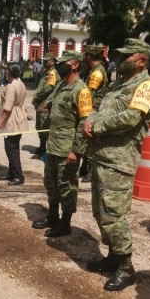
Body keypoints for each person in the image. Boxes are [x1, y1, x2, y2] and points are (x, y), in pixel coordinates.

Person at [84, 38, 150, 292]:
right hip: (101, 155)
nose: (121, 60)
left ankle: (126, 267)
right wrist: (90, 118)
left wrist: (97, 126)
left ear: (142, 61)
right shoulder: (118, 83)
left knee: (114, 215)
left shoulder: (146, 85)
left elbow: (131, 118)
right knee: (100, 211)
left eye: (128, 56)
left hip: (119, 160)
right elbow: (99, 106)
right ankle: (113, 257)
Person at [32, 51, 92, 237]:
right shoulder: (60, 86)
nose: (58, 66)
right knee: (51, 183)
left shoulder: (81, 90)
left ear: (74, 65)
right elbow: (51, 100)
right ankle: (52, 216)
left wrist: (76, 151)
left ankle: (65, 223)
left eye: (62, 63)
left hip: (68, 150)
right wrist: (49, 105)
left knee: (66, 187)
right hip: (53, 146)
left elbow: (85, 122)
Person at [80, 45, 109, 183]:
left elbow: (90, 93)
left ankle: (91, 172)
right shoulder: (95, 70)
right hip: (92, 108)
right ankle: (85, 168)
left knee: (90, 142)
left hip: (93, 109)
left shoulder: (97, 73)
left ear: (89, 57)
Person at [0, 63, 28, 185]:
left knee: (11, 148)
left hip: (12, 119)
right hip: (19, 115)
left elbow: (7, 108)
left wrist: (0, 123)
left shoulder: (11, 86)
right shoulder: (21, 83)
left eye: (7, 70)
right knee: (12, 146)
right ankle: (11, 172)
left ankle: (18, 176)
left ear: (10, 72)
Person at [32, 53, 58, 157]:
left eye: (46, 61)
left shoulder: (53, 73)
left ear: (52, 61)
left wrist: (36, 97)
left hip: (46, 105)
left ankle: (47, 150)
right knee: (39, 127)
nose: (44, 62)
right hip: (40, 105)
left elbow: (48, 88)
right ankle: (42, 145)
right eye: (44, 60)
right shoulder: (45, 72)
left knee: (45, 127)